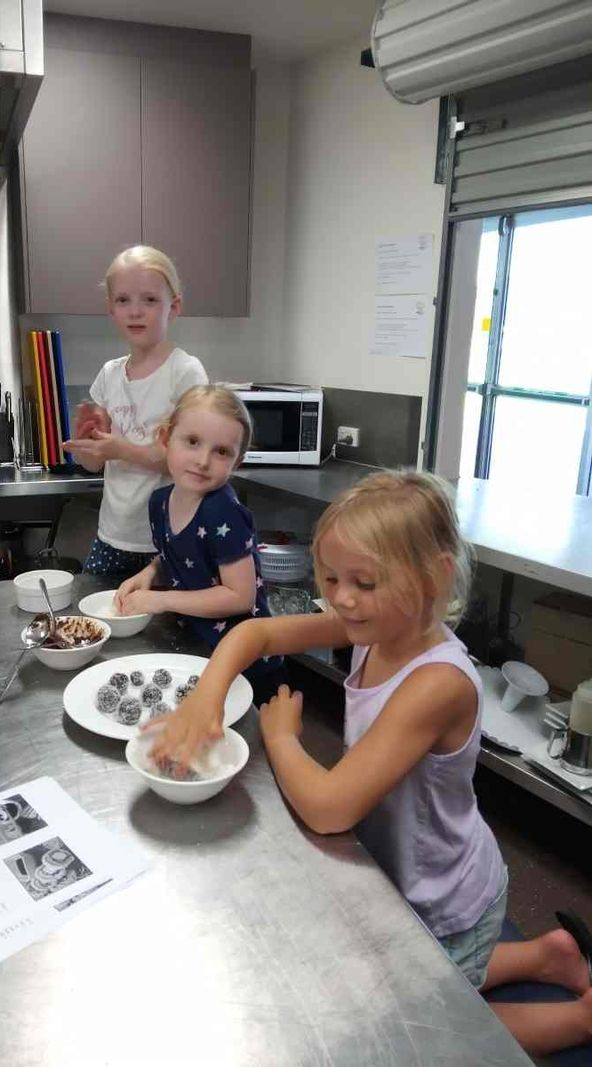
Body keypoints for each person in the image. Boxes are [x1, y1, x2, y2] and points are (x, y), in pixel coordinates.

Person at [150, 469, 592, 1058]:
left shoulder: (437, 682)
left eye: (364, 581)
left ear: (431, 577)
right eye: (331, 577)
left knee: (427, 1035)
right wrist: (206, 697)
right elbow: (253, 633)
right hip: (408, 869)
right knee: (442, 976)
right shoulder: (377, 625)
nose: (341, 598)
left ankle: (581, 1021)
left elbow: (331, 809)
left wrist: (281, 735)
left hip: (447, 895)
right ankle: (549, 955)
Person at [114, 384, 285, 706]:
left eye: (221, 452)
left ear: (237, 461)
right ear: (165, 439)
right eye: (192, 442)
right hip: (198, 648)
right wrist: (150, 574)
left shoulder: (223, 511)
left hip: (245, 664)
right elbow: (179, 556)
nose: (203, 460)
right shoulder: (160, 502)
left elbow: (240, 596)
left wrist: (160, 602)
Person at [63, 246, 207, 578]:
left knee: (165, 627)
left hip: (168, 540)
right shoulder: (109, 375)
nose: (135, 311)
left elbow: (187, 459)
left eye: (150, 300)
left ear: (174, 307)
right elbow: (94, 463)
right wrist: (88, 440)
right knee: (101, 621)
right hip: (112, 535)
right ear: (110, 310)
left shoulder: (185, 372)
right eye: (123, 300)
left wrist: (118, 448)